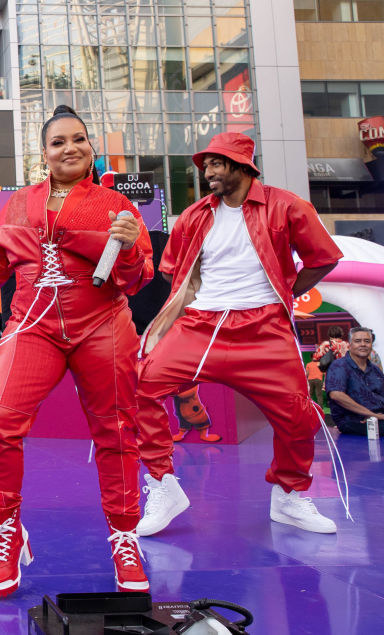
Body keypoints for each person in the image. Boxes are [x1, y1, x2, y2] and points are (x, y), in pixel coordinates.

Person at [0, 105, 155, 596]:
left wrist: (129, 248)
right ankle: (7, 531)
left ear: (90, 146)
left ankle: (124, 537)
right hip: (32, 326)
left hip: (103, 325)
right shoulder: (19, 204)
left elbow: (135, 280)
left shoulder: (118, 207)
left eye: (79, 139)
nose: (71, 148)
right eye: (58, 142)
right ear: (43, 154)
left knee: (118, 428)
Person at [133, 131, 344, 537]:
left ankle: (289, 495)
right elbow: (172, 270)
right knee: (139, 386)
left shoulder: (287, 206)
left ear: (241, 166)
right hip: (202, 324)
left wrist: (289, 290)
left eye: (215, 164)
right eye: (205, 165)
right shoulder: (195, 215)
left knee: (299, 418)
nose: (207, 172)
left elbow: (324, 258)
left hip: (264, 327)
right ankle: (163, 485)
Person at [325, 327, 384, 436]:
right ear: (350, 344)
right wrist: (372, 415)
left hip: (378, 418)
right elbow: (336, 395)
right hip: (353, 420)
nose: (363, 344)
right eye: (357, 341)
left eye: (367, 341)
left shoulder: (375, 370)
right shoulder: (339, 366)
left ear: (371, 344)